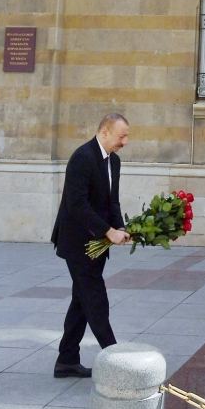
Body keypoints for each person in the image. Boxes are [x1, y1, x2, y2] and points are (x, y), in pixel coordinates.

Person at [50, 113, 131, 378]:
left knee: (81, 300)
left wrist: (120, 228)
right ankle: (116, 360)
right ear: (105, 132)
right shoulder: (82, 158)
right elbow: (77, 205)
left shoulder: (114, 162)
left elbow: (112, 202)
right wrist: (107, 231)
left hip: (97, 242)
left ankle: (67, 360)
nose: (125, 142)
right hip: (77, 243)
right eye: (122, 136)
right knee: (95, 299)